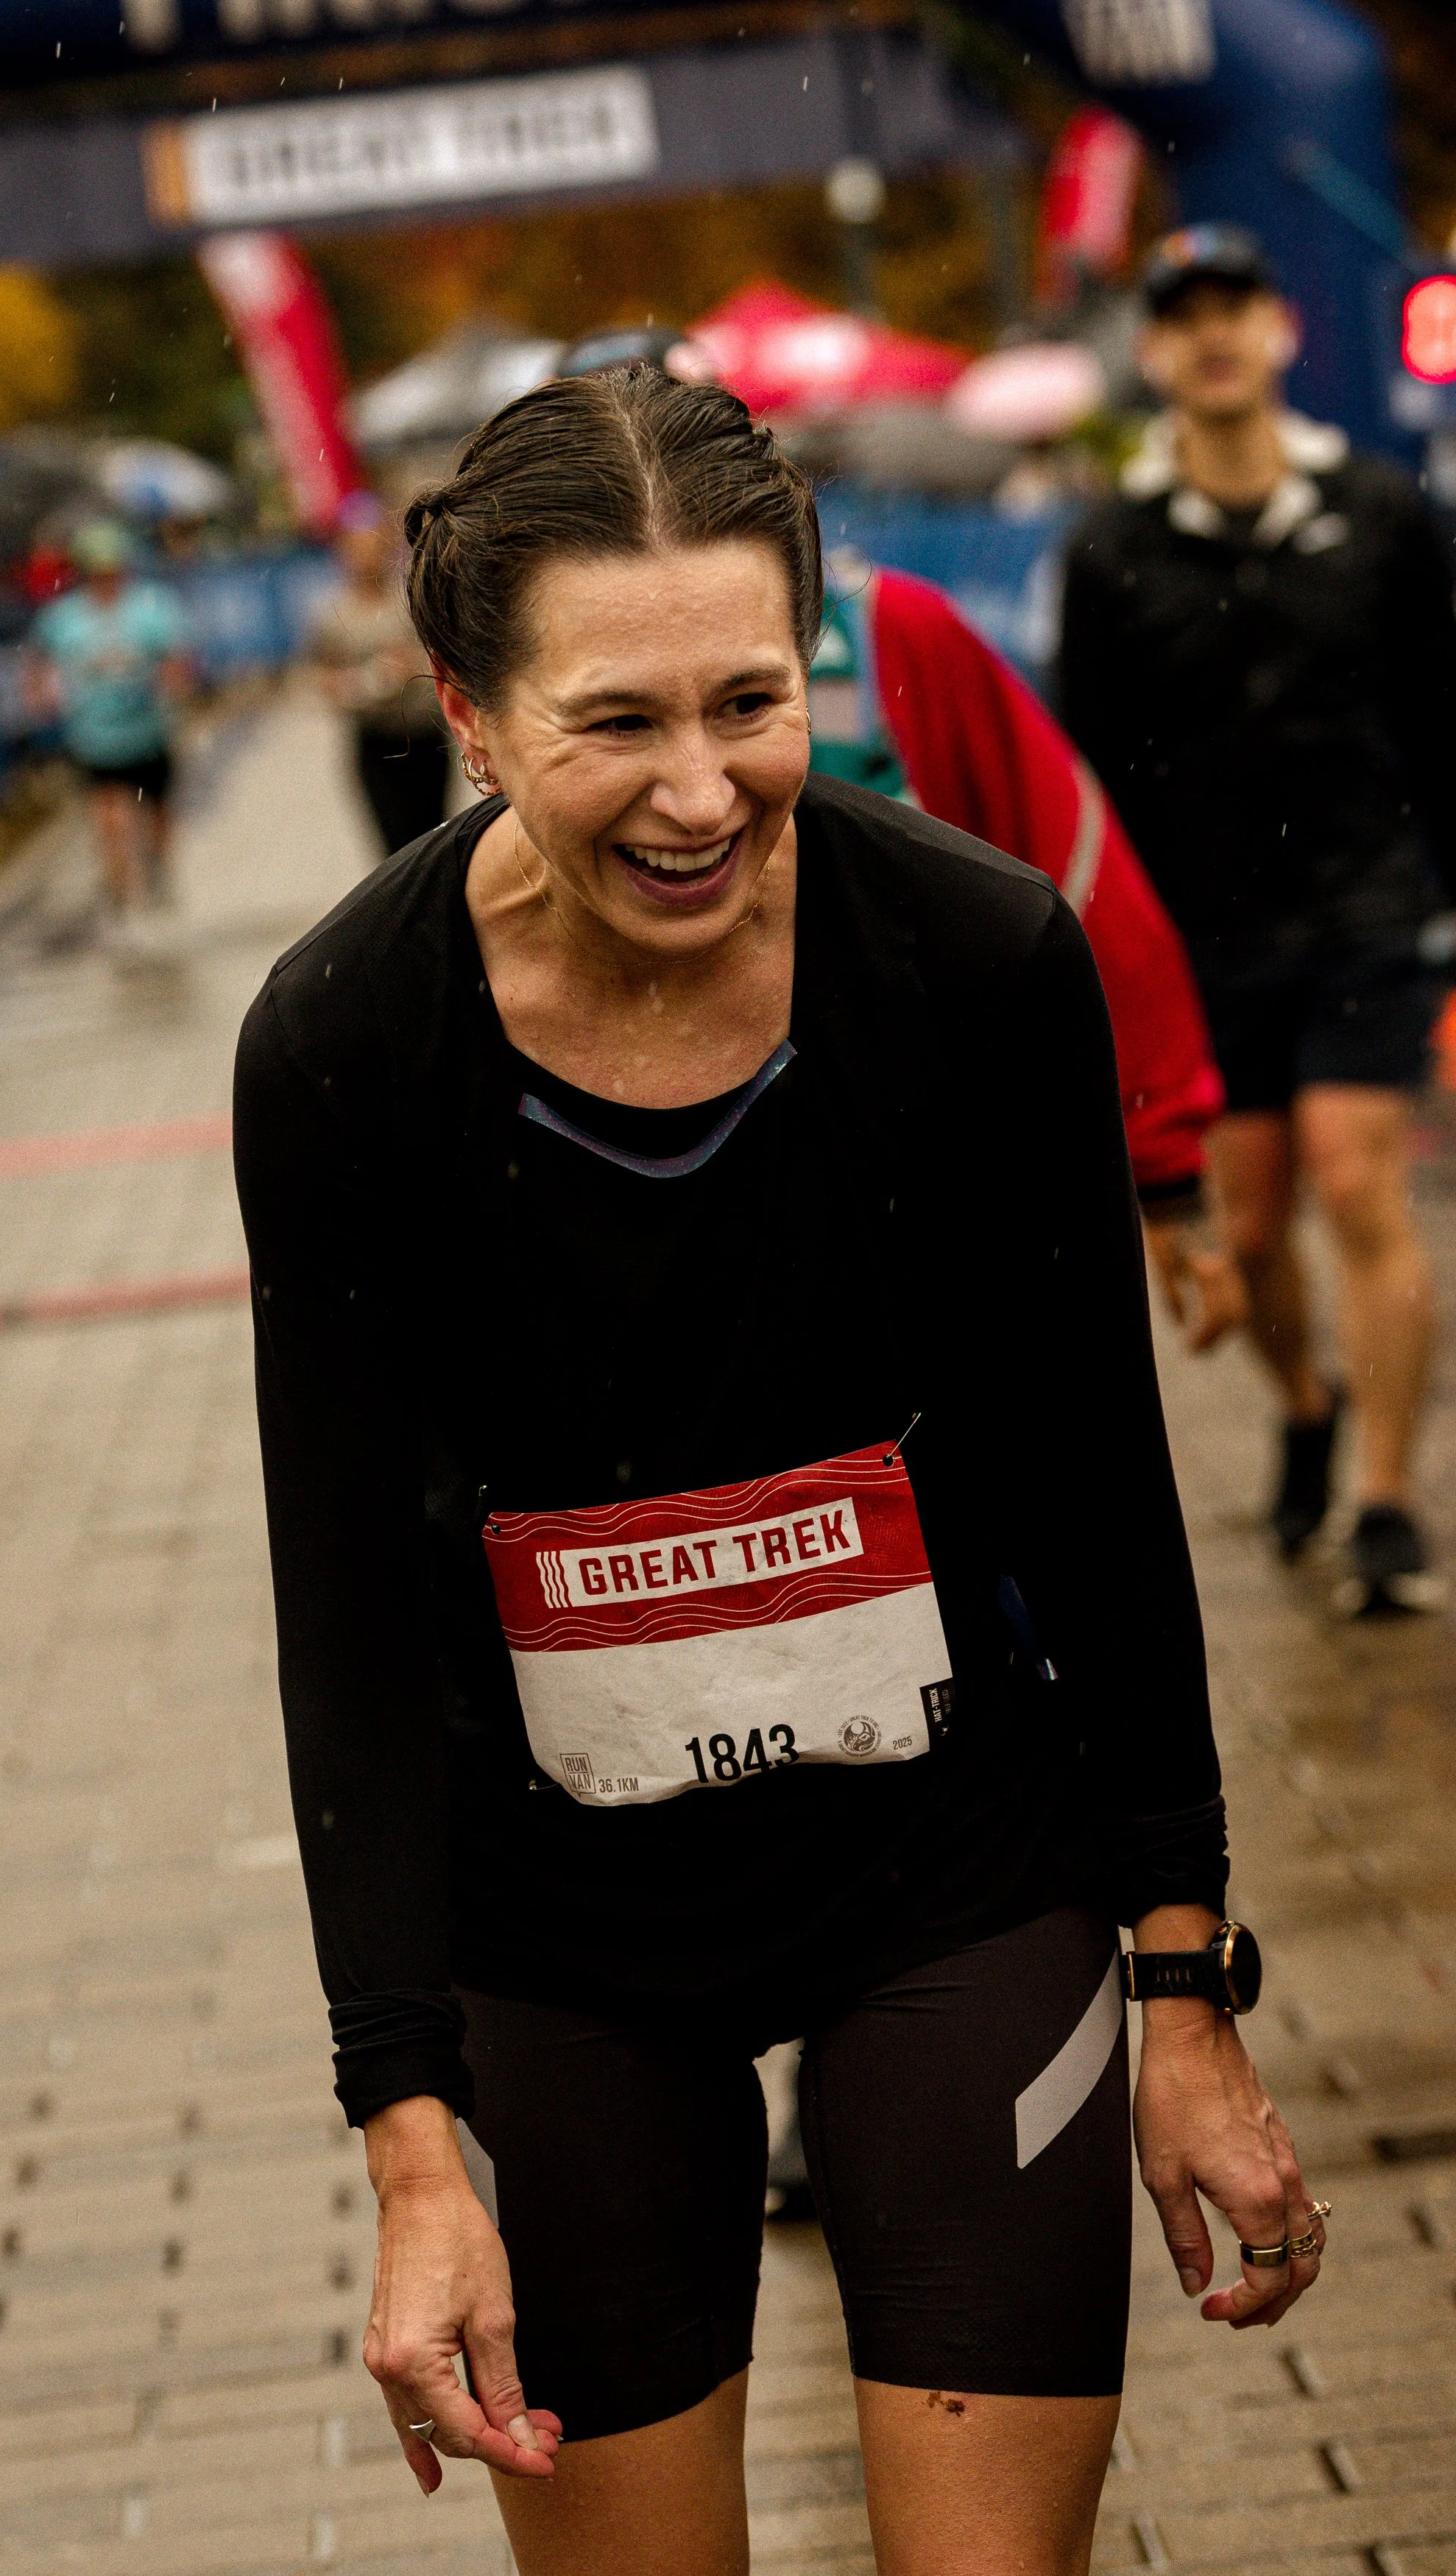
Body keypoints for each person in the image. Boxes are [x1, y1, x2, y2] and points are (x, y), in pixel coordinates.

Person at [234, 369, 1324, 2576]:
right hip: (561, 1929)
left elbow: (1106, 1496)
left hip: (958, 1866)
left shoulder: (977, 956)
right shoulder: (348, 1040)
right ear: (465, 706)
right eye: (610, 719)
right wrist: (409, 2137)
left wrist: (1185, 1984)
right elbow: (344, 1617)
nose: (701, 786)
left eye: (755, 695)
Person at [1061, 225, 1456, 1614]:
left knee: (1358, 1176)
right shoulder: (1108, 551)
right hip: (1199, 941)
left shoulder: (1381, 511)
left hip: (1363, 904)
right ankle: (1302, 1397)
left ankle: (1389, 1500)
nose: (1213, 332)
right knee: (1253, 1217)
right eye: (1182, 314)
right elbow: (1089, 779)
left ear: (1279, 331)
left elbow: (1436, 722)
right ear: (1153, 350)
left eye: (1237, 304)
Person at [812, 557, 1243, 1350]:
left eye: (746, 703)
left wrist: (1166, 1167)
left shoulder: (886, 625)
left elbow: (1076, 882)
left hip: (919, 1178)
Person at [30, 520, 194, 949]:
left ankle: (157, 873)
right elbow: (39, 668)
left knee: (156, 816)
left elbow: (178, 661)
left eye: (113, 570)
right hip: (95, 738)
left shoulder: (151, 608)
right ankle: (122, 899)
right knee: (112, 822)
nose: (107, 579)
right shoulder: (63, 619)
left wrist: (167, 681)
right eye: (98, 571)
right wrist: (44, 696)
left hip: (148, 733)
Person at [308, 488, 448, 861]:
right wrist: (372, 679)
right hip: (377, 743)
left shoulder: (411, 598)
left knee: (437, 844)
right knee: (397, 853)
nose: (365, 551)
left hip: (427, 735)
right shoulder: (333, 614)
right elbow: (325, 684)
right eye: (356, 543)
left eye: (373, 540)